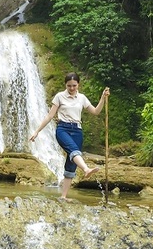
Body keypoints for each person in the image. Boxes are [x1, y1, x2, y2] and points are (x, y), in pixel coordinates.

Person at [29, 72, 110, 201]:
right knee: (74, 150)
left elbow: (95, 112)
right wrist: (37, 131)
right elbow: (50, 116)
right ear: (65, 85)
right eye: (69, 86)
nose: (72, 88)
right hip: (63, 129)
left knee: (71, 163)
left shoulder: (82, 98)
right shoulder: (59, 97)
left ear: (78, 84)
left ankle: (63, 196)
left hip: (77, 130)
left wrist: (103, 98)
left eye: (74, 85)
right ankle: (86, 169)